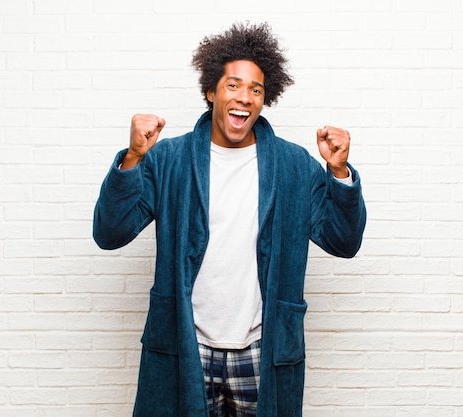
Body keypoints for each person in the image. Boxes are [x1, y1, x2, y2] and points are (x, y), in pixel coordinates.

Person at [93, 22, 366, 417]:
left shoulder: (294, 166)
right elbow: (110, 232)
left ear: (264, 99)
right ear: (211, 91)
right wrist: (132, 159)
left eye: (256, 90)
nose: (244, 98)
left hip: (261, 348)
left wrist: (339, 174)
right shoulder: (169, 159)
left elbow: (344, 242)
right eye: (233, 85)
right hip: (186, 345)